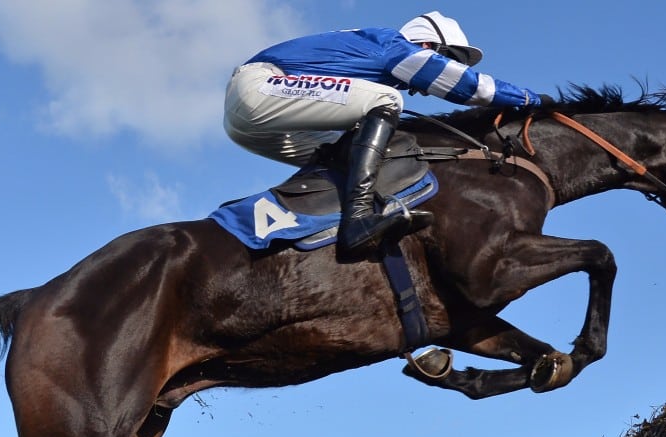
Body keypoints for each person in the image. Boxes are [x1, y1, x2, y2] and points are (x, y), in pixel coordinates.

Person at [225, 11, 551, 260]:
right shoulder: (392, 45)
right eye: (447, 59)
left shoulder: (376, 55)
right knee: (388, 100)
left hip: (251, 121)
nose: (448, 68)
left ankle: (302, 229)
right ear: (426, 46)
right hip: (260, 88)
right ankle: (357, 222)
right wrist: (528, 99)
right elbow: (468, 86)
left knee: (349, 150)